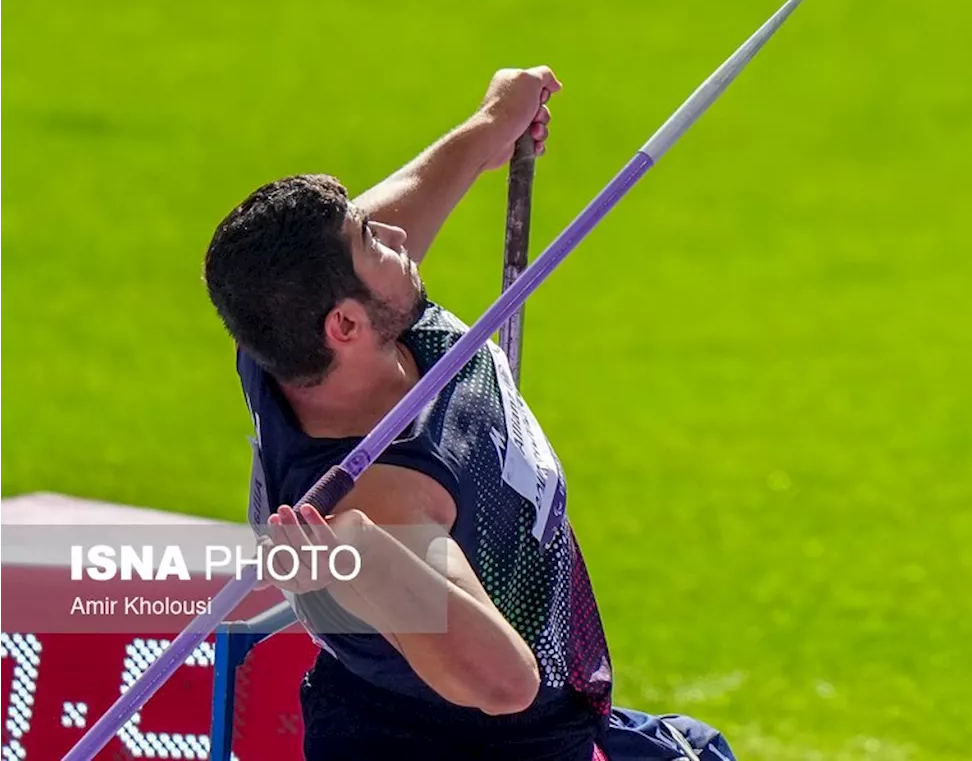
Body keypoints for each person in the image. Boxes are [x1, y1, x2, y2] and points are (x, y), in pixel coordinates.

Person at [202, 66, 736, 760]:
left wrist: (492, 125)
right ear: (344, 325)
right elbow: (506, 683)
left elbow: (369, 236)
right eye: (373, 240)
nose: (396, 237)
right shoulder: (391, 503)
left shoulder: (299, 338)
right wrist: (363, 556)